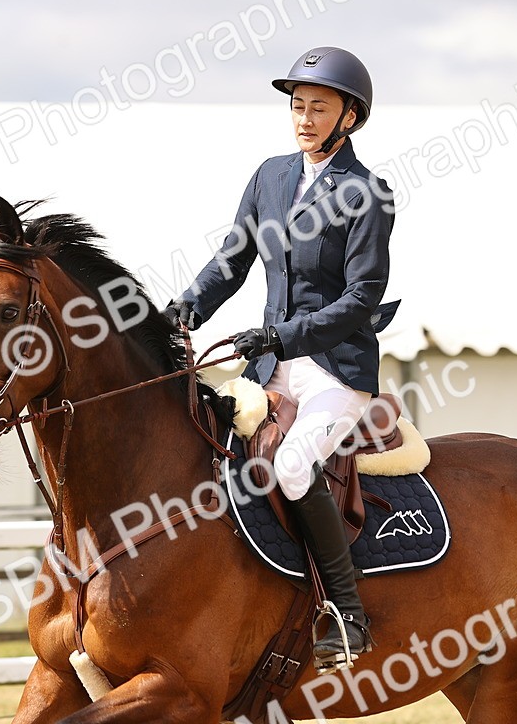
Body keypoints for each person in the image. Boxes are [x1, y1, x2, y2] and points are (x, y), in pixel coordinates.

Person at [163, 45, 396, 673]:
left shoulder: (368, 193)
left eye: (319, 107)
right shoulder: (269, 176)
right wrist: (181, 311)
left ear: (350, 117)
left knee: (292, 465)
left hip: (337, 372)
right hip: (269, 370)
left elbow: (361, 297)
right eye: (297, 105)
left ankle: (347, 614)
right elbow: (232, 262)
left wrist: (284, 336)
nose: (304, 117)